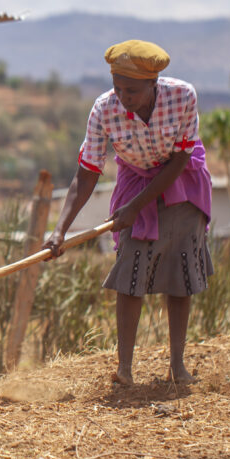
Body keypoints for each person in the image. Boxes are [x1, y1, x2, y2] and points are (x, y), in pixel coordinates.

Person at [43, 40, 213, 386]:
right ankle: (124, 369)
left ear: (154, 83)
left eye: (133, 90)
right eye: (118, 88)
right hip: (135, 181)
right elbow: (87, 172)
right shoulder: (104, 110)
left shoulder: (183, 97)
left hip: (182, 181)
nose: (124, 97)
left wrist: (136, 207)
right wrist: (60, 230)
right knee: (131, 271)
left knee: (181, 275)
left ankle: (177, 368)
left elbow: (181, 158)